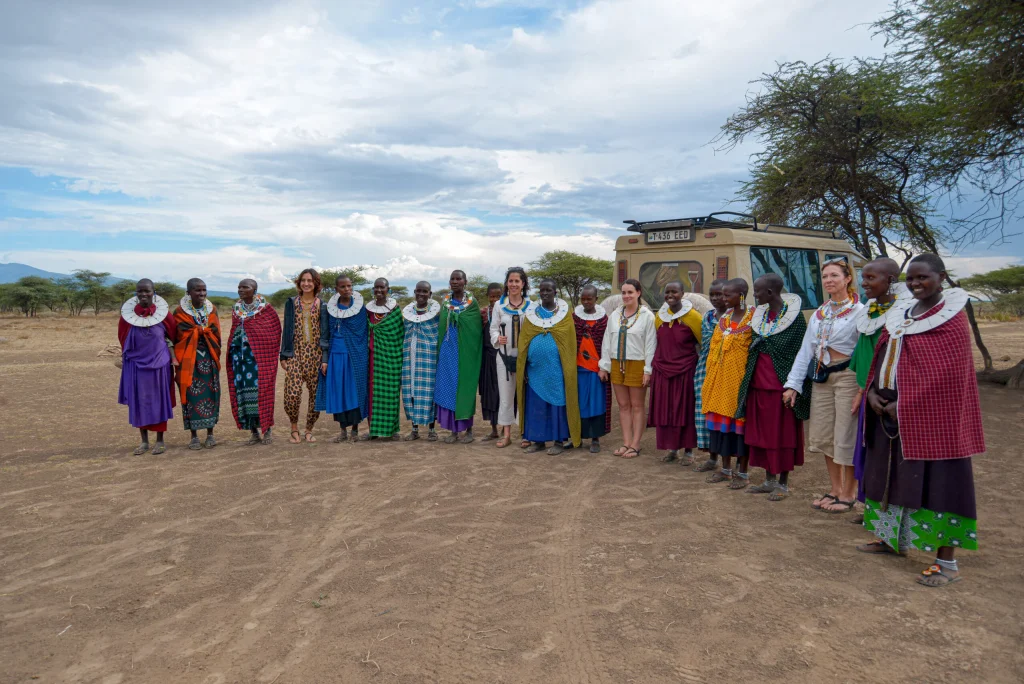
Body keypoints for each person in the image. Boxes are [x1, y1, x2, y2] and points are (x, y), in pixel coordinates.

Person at [857, 254, 984, 587]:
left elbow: (949, 374)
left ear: (940, 277)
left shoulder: (951, 319)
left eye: (922, 277)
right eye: (910, 279)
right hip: (887, 409)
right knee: (887, 474)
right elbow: (883, 354)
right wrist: (872, 391)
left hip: (933, 418)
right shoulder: (903, 313)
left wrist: (907, 404)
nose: (915, 284)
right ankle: (888, 539)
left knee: (941, 483)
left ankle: (946, 563)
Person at [784, 257, 864, 513]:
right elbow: (806, 350)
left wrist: (863, 388)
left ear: (848, 278)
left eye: (834, 276)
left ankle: (850, 493)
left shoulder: (860, 312)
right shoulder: (821, 313)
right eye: (825, 277)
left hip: (847, 378)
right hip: (821, 377)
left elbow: (865, 353)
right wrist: (793, 384)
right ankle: (835, 489)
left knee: (846, 434)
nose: (829, 281)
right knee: (824, 435)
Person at [736, 275, 808, 500]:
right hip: (758, 384)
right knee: (763, 435)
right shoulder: (761, 316)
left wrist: (792, 386)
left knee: (783, 436)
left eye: (757, 291)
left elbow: (798, 352)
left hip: (781, 387)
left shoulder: (795, 318)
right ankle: (768, 480)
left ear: (770, 292)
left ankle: (783, 484)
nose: (754, 296)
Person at [850, 258, 907, 512]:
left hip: (887, 394)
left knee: (885, 456)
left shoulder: (901, 313)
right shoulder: (870, 310)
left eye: (871, 278)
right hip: (869, 391)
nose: (864, 283)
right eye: (864, 277)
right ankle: (868, 507)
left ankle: (878, 511)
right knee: (867, 452)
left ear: (891, 281)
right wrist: (863, 388)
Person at [516, 278, 580, 455]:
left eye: (548, 291)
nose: (544, 293)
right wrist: (525, 364)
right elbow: (524, 340)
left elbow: (568, 341)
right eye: (541, 290)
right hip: (535, 370)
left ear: (555, 293)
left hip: (556, 369)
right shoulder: (531, 314)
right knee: (536, 405)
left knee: (557, 403)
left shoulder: (564, 314)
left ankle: (559, 441)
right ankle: (538, 440)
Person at [702, 278, 754, 485]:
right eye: (722, 295)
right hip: (718, 381)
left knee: (739, 428)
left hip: (739, 384)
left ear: (741, 295)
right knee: (720, 428)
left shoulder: (754, 318)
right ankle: (725, 469)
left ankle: (742, 473)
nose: (723, 299)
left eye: (727, 295)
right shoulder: (725, 318)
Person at [118, 279, 177, 455]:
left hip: (160, 364)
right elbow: (123, 338)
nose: (144, 295)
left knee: (159, 400)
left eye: (147, 291)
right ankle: (143, 441)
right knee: (139, 401)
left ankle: (160, 440)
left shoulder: (164, 314)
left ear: (154, 292)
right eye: (140, 291)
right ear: (136, 294)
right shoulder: (127, 316)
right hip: (136, 365)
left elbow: (173, 335)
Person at [599, 279, 657, 460]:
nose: (626, 296)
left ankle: (636, 444)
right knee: (623, 406)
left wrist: (648, 369)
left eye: (630, 292)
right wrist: (604, 365)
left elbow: (650, 344)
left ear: (639, 293)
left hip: (637, 363)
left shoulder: (647, 316)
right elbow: (607, 341)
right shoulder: (615, 315)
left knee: (638, 406)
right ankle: (626, 442)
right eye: (623, 292)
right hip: (617, 363)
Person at [648, 281, 703, 464]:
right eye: (667, 292)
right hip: (663, 370)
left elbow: (703, 343)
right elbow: (655, 342)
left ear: (683, 293)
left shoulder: (694, 317)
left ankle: (688, 451)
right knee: (667, 410)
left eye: (674, 292)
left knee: (685, 409)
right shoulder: (659, 317)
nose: (670, 295)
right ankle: (672, 449)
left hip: (685, 371)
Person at [226, 279, 282, 445]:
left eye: (245, 287)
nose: (241, 290)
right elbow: (234, 330)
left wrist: (255, 342)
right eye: (239, 287)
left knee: (263, 393)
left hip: (260, 361)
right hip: (240, 361)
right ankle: (253, 432)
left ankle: (267, 430)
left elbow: (274, 333)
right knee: (243, 395)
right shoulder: (237, 310)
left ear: (255, 290)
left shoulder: (266, 310)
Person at [315, 275, 369, 442]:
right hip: (335, 356)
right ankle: (342, 431)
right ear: (336, 289)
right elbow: (326, 334)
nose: (347, 289)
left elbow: (363, 332)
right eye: (343, 286)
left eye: (349, 286)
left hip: (355, 355)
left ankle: (354, 431)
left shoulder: (360, 308)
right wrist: (325, 359)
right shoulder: (329, 309)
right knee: (338, 392)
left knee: (354, 391)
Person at [435, 270, 483, 444]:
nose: (455, 282)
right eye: (452, 279)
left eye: (458, 279)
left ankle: (468, 430)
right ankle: (453, 431)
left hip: (466, 353)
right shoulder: (446, 302)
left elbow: (475, 329)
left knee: (466, 388)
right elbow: (442, 326)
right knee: (448, 388)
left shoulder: (472, 303)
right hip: (448, 352)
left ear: (465, 281)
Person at [173, 278, 221, 450]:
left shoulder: (211, 310)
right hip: (188, 360)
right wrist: (198, 331)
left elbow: (216, 333)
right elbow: (176, 336)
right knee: (190, 395)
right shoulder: (179, 312)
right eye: (197, 290)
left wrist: (204, 333)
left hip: (208, 358)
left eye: (204, 290)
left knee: (211, 393)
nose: (201, 293)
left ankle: (210, 434)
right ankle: (193, 435)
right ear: (188, 292)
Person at [490, 267, 534, 448]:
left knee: (525, 396)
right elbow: (493, 328)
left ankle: (526, 434)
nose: (514, 284)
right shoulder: (499, 305)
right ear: (506, 283)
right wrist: (496, 338)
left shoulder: (532, 306)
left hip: (526, 360)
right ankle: (507, 434)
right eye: (511, 281)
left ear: (523, 284)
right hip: (504, 357)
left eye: (517, 281)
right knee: (506, 396)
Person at [280, 268, 322, 444]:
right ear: (299, 283)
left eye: (310, 280)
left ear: (315, 284)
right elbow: (287, 328)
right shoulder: (291, 302)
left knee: (315, 394)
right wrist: (283, 355)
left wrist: (325, 358)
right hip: (295, 354)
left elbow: (325, 332)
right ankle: (294, 428)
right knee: (292, 393)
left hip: (316, 355)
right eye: (303, 280)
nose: (306, 283)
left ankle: (309, 430)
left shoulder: (322, 304)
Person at [693, 279, 728, 472]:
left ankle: (726, 460)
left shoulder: (735, 318)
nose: (715, 298)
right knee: (705, 413)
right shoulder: (707, 317)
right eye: (712, 294)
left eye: (720, 294)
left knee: (722, 415)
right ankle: (712, 457)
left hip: (725, 373)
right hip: (704, 372)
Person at [362, 277, 404, 441]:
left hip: (391, 356)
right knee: (373, 392)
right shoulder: (368, 310)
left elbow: (398, 333)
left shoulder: (394, 309)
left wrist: (396, 353)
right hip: (373, 356)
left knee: (391, 391)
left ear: (388, 289)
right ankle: (373, 429)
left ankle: (392, 430)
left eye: (382, 287)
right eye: (376, 288)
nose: (379, 290)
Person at [573, 284, 612, 453]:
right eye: (583, 299)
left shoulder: (603, 320)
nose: (586, 302)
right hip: (578, 368)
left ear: (596, 299)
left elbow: (607, 344)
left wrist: (604, 366)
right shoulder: (574, 318)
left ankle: (595, 438)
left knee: (596, 403)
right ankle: (578, 437)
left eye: (589, 298)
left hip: (597, 370)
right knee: (579, 403)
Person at [401, 281, 440, 441]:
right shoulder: (408, 313)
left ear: (430, 294)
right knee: (411, 391)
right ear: (414, 293)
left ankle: (432, 429)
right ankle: (414, 429)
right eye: (418, 291)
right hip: (410, 357)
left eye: (425, 292)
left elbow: (437, 334)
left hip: (428, 358)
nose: (421, 294)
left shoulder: (436, 314)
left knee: (429, 392)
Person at [479, 283, 503, 441]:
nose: (494, 299)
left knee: (503, 393)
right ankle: (493, 429)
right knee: (488, 393)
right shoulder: (483, 313)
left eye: (498, 296)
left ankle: (503, 428)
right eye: (492, 296)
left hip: (502, 356)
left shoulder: (507, 312)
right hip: (487, 357)